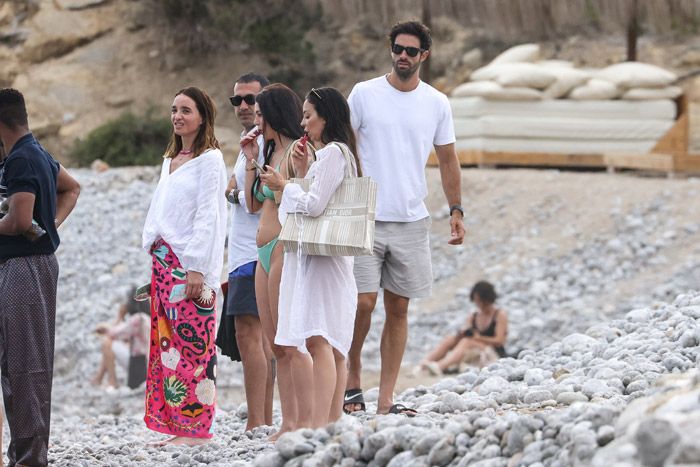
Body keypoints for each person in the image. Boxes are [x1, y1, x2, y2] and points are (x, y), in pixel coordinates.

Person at [344, 20, 466, 416]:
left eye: (411, 51)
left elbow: (448, 159)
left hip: (412, 219)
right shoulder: (364, 94)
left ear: (424, 56)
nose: (402, 56)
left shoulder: (437, 102)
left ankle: (386, 399)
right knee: (362, 303)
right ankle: (352, 376)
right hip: (366, 215)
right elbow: (341, 147)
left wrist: (456, 210)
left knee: (399, 309)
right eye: (398, 48)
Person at [261, 86, 362, 428]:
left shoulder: (334, 153)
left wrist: (284, 184)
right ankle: (330, 421)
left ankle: (320, 423)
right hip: (330, 258)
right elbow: (320, 200)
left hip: (323, 261)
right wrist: (303, 175)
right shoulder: (340, 153)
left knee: (319, 339)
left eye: (308, 115)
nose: (303, 123)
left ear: (326, 116)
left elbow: (315, 206)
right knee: (332, 344)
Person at [141, 86, 227, 446]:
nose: (177, 116)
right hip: (162, 263)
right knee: (167, 346)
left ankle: (198, 429)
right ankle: (177, 426)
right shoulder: (170, 159)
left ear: (202, 117)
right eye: (174, 109)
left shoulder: (211, 160)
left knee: (195, 345)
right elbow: (162, 213)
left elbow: (208, 215)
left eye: (186, 110)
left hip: (187, 264)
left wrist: (196, 268)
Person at [0, 88, 80, 467]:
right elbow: (72, 187)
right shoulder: (37, 153)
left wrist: (44, 227)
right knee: (19, 364)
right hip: (27, 264)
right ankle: (24, 454)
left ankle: (31, 459)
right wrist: (51, 226)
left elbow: (18, 221)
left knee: (26, 366)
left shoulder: (21, 159)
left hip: (23, 267)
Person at [240, 83, 314, 440]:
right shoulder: (269, 153)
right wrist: (252, 159)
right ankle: (288, 421)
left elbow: (308, 194)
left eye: (258, 113)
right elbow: (253, 205)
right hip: (262, 251)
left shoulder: (298, 151)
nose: (254, 119)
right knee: (273, 342)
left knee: (288, 340)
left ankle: (303, 418)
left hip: (285, 244)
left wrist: (284, 183)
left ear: (272, 115)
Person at [216, 72, 275, 431]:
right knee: (261, 337)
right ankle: (263, 419)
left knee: (248, 334)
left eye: (249, 99)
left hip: (254, 252)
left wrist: (234, 192)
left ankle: (256, 422)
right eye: (236, 100)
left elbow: (254, 201)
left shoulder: (265, 143)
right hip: (247, 251)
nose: (242, 106)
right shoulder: (251, 140)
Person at [417, 281, 508, 375]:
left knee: (468, 342)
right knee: (451, 339)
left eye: (480, 300)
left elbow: (499, 340)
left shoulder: (499, 315)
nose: (478, 304)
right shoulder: (474, 316)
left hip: (494, 353)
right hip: (476, 349)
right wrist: (461, 335)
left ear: (487, 299)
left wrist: (478, 338)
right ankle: (423, 365)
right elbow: (468, 333)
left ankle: (440, 366)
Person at [92, 287, 151, 389]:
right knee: (110, 342)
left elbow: (114, 333)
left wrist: (119, 316)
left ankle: (111, 381)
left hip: (141, 363)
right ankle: (99, 379)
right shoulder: (146, 318)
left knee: (107, 343)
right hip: (145, 361)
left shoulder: (138, 319)